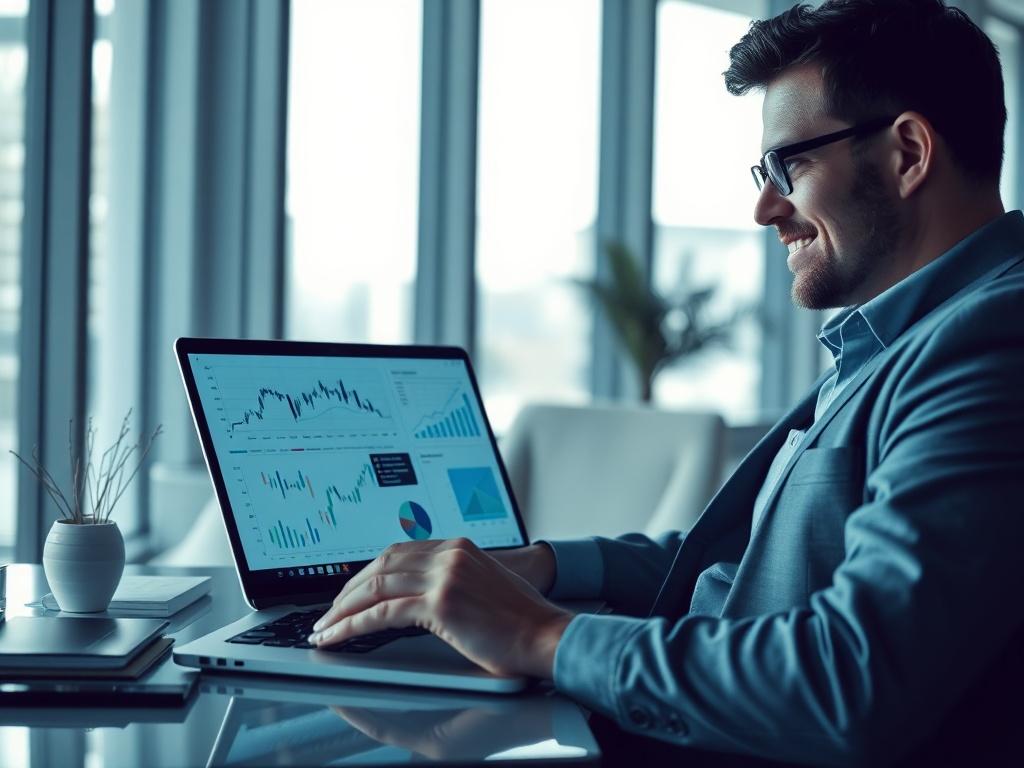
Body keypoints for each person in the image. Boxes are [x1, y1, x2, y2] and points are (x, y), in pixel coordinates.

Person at [309, 1, 1024, 764]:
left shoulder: (991, 343)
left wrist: (535, 633)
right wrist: (545, 570)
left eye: (791, 164)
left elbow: (853, 680)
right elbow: (759, 563)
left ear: (908, 153)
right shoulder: (910, 337)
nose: (764, 208)